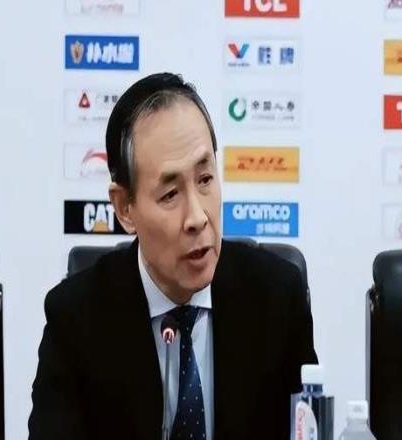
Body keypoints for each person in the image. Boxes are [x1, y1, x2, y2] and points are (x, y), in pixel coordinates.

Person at [28, 73, 317, 439]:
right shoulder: (76, 320)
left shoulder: (277, 297)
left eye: (205, 179)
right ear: (124, 207)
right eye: (169, 195)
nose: (197, 218)